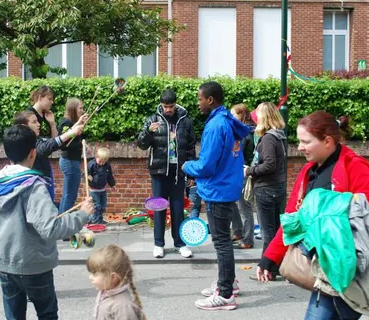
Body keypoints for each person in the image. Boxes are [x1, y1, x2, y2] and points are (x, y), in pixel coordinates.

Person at [255, 111, 369, 319]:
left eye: (305, 142)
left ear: (327, 141)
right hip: (324, 269)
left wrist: (323, 206)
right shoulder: (308, 172)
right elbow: (293, 218)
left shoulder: (354, 165)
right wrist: (270, 257)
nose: (299, 147)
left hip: (349, 268)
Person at [0, 124, 94, 320]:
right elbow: (51, 228)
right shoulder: (34, 186)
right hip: (33, 263)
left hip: (4, 261)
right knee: (47, 314)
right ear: (32, 153)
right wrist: (82, 215)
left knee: (14, 316)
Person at [183, 81, 250, 310]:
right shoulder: (228, 121)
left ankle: (225, 293)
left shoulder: (215, 125)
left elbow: (206, 166)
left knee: (221, 242)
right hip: (227, 187)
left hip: (217, 190)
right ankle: (228, 282)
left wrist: (187, 166)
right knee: (223, 241)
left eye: (200, 98)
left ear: (210, 100)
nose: (198, 102)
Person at [137, 89, 196, 259]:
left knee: (178, 208)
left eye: (171, 106)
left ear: (175, 104)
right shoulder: (153, 119)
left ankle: (180, 243)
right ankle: (158, 244)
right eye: (165, 106)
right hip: (159, 171)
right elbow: (141, 144)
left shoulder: (185, 120)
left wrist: (191, 173)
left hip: (178, 171)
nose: (168, 109)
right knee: (159, 208)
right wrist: (148, 131)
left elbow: (191, 147)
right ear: (161, 105)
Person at [244, 102, 287, 259]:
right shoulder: (279, 135)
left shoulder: (268, 138)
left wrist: (249, 170)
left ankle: (268, 267)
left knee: (267, 231)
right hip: (278, 186)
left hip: (266, 188)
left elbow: (269, 164)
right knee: (275, 230)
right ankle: (276, 264)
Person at [13, 110, 85, 201]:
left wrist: (76, 125)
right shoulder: (24, 142)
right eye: (34, 122)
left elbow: (54, 143)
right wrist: (70, 133)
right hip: (36, 186)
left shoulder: (36, 138)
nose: (38, 124)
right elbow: (44, 149)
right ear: (24, 126)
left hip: (44, 181)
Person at [87, 244, 146, 320]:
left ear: (113, 277)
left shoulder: (123, 306)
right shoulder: (106, 291)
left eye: (95, 274)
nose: (90, 277)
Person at [229, 104, 256, 249]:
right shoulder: (241, 131)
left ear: (241, 115)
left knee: (245, 208)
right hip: (236, 172)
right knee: (234, 203)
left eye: (233, 114)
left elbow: (240, 154)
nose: (231, 117)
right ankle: (238, 232)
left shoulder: (245, 133)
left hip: (242, 172)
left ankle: (247, 240)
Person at [58, 98, 88, 215]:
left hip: (71, 161)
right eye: (80, 108)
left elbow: (78, 138)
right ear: (73, 109)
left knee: (69, 195)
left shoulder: (72, 122)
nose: (82, 110)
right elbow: (64, 144)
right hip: (69, 161)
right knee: (70, 196)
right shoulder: (66, 122)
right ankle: (63, 224)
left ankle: (62, 222)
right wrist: (80, 143)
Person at [87, 147, 116, 225]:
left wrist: (112, 185)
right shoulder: (92, 164)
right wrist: (88, 176)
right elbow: (86, 173)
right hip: (93, 190)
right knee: (97, 206)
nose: (101, 163)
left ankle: (99, 219)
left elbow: (109, 176)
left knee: (103, 205)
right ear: (96, 156)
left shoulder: (107, 166)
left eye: (104, 162)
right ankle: (95, 221)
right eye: (100, 161)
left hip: (103, 189)